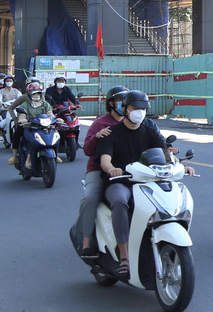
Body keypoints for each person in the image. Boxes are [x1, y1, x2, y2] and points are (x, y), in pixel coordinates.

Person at [96, 91, 194, 279]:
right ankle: (124, 256)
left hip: (148, 181)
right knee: (119, 201)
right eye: (135, 108)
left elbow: (166, 155)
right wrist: (112, 169)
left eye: (142, 109)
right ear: (124, 109)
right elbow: (105, 160)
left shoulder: (149, 131)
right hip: (121, 182)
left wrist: (182, 165)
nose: (139, 112)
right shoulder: (112, 133)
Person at [75, 85, 131, 260]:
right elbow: (87, 150)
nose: (124, 105)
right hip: (99, 171)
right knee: (90, 197)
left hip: (128, 171)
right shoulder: (100, 123)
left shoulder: (133, 123)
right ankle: (85, 242)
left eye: (126, 101)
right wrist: (96, 137)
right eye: (120, 101)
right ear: (111, 103)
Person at [8, 80, 51, 170]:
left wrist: (55, 119)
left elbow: (49, 113)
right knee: (19, 133)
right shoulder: (24, 103)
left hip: (42, 125)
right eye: (34, 93)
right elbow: (18, 112)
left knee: (55, 132)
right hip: (29, 126)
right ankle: (15, 155)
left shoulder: (44, 103)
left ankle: (54, 152)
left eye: (38, 93)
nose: (36, 95)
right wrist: (19, 119)